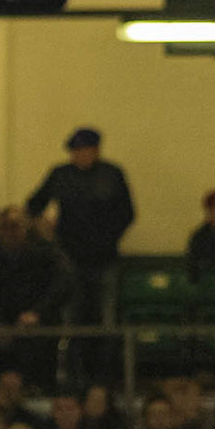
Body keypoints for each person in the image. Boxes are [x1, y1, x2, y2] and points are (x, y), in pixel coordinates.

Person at [24, 127, 135, 318]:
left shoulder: (111, 174)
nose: (80, 155)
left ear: (95, 150)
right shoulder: (62, 175)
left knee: (105, 310)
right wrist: (45, 227)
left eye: (85, 150)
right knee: (71, 308)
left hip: (103, 255)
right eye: (77, 151)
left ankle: (105, 347)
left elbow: (126, 213)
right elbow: (34, 204)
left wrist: (108, 237)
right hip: (70, 254)